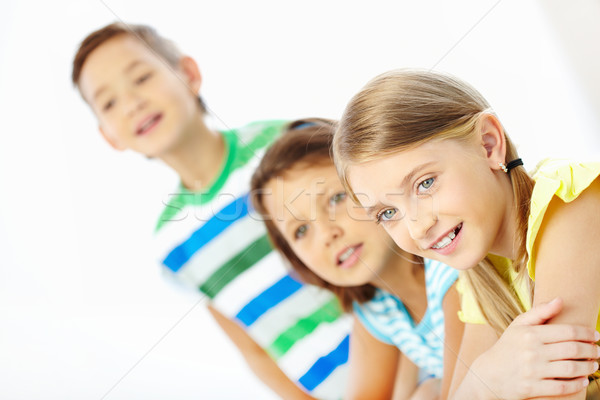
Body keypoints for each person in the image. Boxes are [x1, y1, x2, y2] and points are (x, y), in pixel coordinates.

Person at [71, 22, 352, 399]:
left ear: (188, 74)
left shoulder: (284, 146)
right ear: (110, 135)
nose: (132, 103)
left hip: (411, 365)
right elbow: (253, 347)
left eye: (141, 77)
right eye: (109, 102)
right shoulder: (173, 246)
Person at [332, 69, 600, 400]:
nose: (417, 226)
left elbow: (559, 391)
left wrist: (487, 382)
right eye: (389, 213)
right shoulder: (481, 276)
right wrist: (485, 379)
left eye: (425, 183)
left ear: (488, 144)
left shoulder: (570, 201)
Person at [250, 119, 465, 399]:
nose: (328, 233)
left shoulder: (448, 267)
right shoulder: (379, 312)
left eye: (336, 199)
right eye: (301, 230)